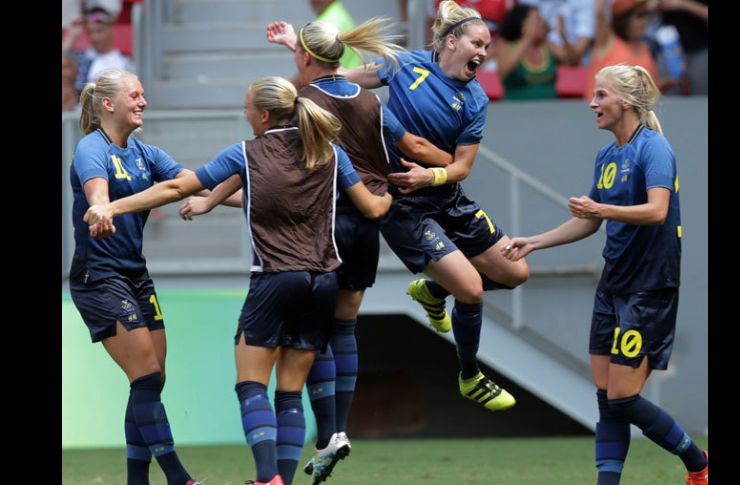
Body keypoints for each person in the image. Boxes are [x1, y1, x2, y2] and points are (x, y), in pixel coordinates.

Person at [184, 17, 455, 484]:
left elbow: (256, 158)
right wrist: (446, 166)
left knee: (291, 354)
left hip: (319, 228)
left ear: (305, 59)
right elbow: (411, 143)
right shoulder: (369, 101)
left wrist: (208, 198)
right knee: (342, 327)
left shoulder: (302, 103)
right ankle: (335, 430)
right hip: (367, 220)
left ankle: (299, 451)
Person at [84, 76, 393, 485]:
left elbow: (179, 184)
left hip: (274, 280)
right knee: (289, 391)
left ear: (262, 115)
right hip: (323, 282)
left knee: (251, 386)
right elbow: (372, 207)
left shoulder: (247, 152)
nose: (244, 113)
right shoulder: (330, 153)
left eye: (247, 107)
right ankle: (284, 476)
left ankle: (266, 478)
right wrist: (390, 195)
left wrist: (112, 208)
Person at [501, 64, 708, 485]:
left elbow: (657, 211)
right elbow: (589, 221)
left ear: (626, 102)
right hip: (613, 285)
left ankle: (697, 461)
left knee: (622, 398)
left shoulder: (654, 149)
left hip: (649, 288)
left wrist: (602, 210)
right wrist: (534, 242)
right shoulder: (607, 155)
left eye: (601, 95)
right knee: (607, 400)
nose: (591, 103)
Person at [339, 0, 531, 412]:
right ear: (450, 41)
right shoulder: (404, 65)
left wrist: (434, 173)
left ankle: (431, 290)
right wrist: (296, 47)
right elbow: (341, 80)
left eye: (487, 46)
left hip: (445, 195)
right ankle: (470, 376)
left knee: (516, 272)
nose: (483, 53)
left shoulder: (476, 99)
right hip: (403, 205)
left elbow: (462, 167)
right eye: (477, 43)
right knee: (472, 288)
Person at [68, 68, 202, 485]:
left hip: (136, 276)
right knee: (145, 373)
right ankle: (179, 478)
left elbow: (191, 184)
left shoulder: (145, 153)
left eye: (144, 94)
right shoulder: (91, 148)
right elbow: (97, 194)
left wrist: (253, 196)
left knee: (151, 381)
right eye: (136, 95)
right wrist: (101, 209)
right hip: (99, 277)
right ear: (109, 104)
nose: (144, 102)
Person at [584, 0, 660, 99]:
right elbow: (599, 11)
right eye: (639, 16)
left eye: (645, 15)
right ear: (624, 19)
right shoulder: (608, 41)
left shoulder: (645, 49)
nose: (644, 21)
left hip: (637, 112)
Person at [496, 3, 558, 100]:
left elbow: (572, 60)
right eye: (537, 20)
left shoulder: (547, 46)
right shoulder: (506, 45)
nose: (543, 23)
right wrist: (527, 38)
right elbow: (504, 71)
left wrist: (563, 36)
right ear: (523, 24)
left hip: (551, 111)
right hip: (516, 111)